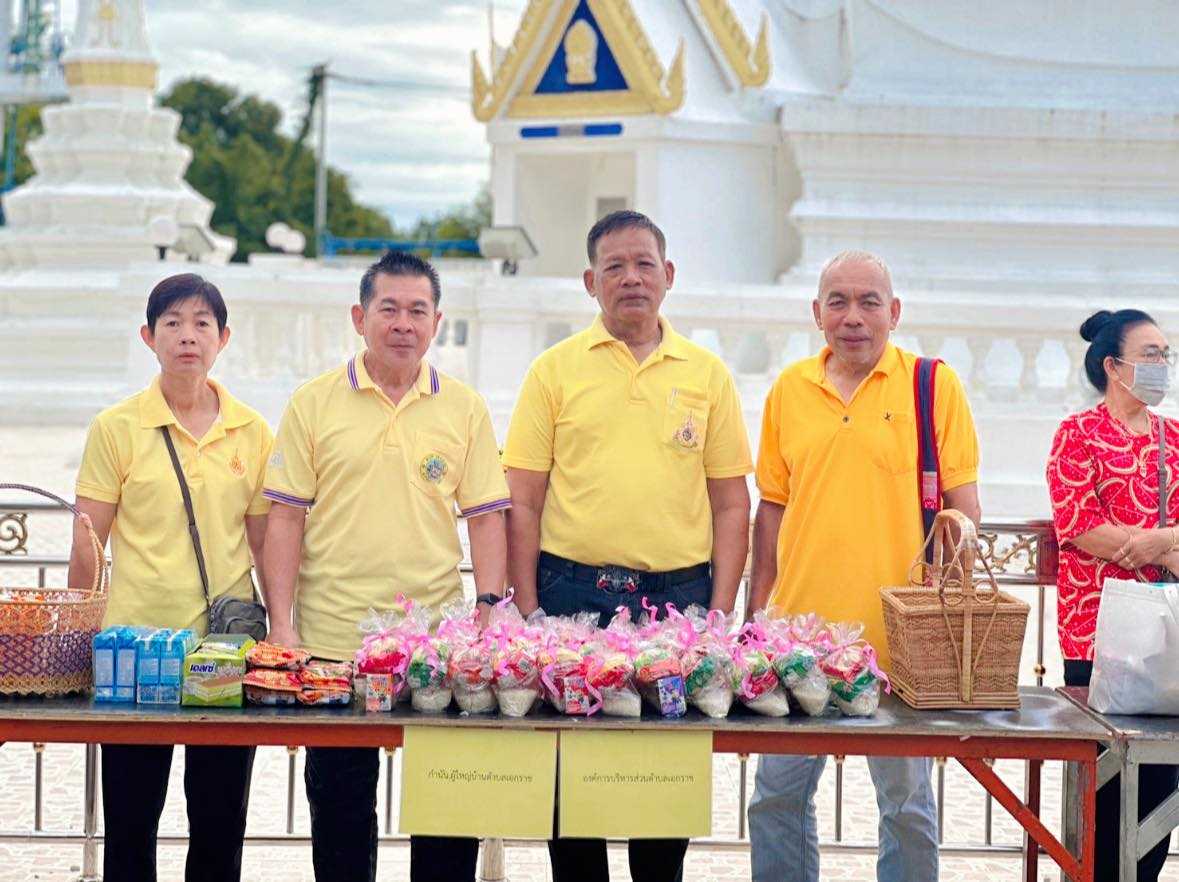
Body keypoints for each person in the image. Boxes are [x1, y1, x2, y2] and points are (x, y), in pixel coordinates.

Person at [503, 209, 752, 882]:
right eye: (614, 266)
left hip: (677, 603)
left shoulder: (706, 374)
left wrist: (719, 612)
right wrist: (525, 607)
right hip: (570, 597)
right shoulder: (553, 371)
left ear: (668, 275)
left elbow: (732, 503)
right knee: (571, 793)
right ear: (591, 281)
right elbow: (523, 498)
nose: (631, 278)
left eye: (644, 264)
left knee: (662, 787)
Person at [261, 250, 510, 882]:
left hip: (436, 644)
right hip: (333, 645)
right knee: (341, 814)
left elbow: (486, 518)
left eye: (418, 311)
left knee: (445, 812)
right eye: (389, 308)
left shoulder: (464, 407)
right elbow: (285, 518)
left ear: (437, 322)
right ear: (360, 316)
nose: (403, 323)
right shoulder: (313, 402)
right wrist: (281, 623)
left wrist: (488, 607)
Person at [746, 250, 981, 882]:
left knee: (906, 807)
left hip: (899, 640)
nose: (853, 317)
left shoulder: (932, 385)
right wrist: (756, 616)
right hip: (799, 638)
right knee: (775, 799)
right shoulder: (790, 389)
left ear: (894, 312)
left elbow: (963, 509)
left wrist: (949, 612)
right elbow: (772, 508)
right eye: (839, 302)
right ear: (816, 312)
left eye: (869, 302)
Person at [67, 273, 271, 882]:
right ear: (148, 337)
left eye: (202, 323)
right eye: (173, 323)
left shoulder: (252, 430)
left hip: (225, 652)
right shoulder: (116, 427)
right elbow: (87, 539)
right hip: (135, 652)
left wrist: (286, 631)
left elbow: (266, 543)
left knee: (219, 823)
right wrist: (78, 638)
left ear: (223, 338)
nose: (188, 336)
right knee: (131, 825)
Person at [1046, 308, 1179, 881]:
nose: (1161, 365)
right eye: (1150, 354)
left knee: (1160, 786)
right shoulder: (1077, 435)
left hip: (1166, 637)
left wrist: (1150, 545)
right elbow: (1079, 526)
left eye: (1165, 355)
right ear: (1112, 365)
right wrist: (1161, 544)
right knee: (1102, 788)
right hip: (1096, 633)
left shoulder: (1174, 439)